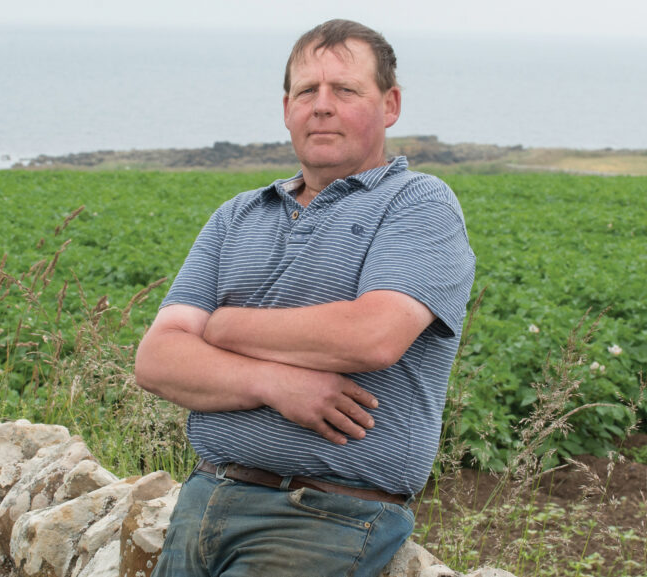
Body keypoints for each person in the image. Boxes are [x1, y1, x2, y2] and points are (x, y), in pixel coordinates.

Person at [134, 18, 475, 577]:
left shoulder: (417, 204)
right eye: (306, 91)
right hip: (202, 501)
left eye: (345, 90)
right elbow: (157, 360)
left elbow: (373, 336)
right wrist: (277, 383)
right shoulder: (237, 215)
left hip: (320, 517)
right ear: (286, 105)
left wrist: (222, 329)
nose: (322, 105)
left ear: (389, 105)